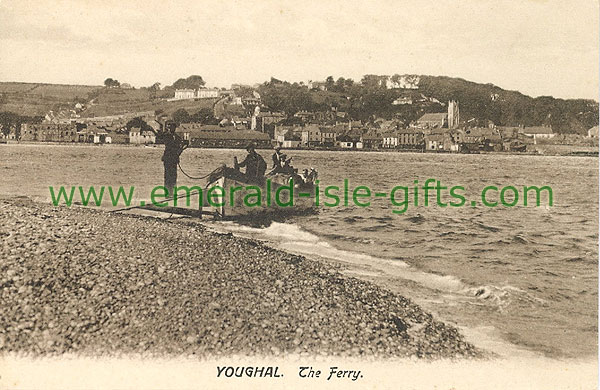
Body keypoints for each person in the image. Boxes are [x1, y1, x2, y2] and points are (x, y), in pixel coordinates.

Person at [161, 122, 188, 197]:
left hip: (174, 159)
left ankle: (172, 192)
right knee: (167, 176)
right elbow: (170, 145)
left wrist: (183, 147)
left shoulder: (177, 137)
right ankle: (167, 193)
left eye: (173, 127)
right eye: (170, 128)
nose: (171, 129)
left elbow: (179, 148)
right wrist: (180, 147)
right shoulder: (166, 136)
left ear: (174, 128)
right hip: (168, 158)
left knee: (174, 176)